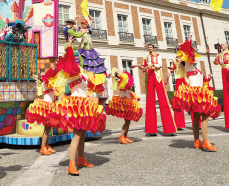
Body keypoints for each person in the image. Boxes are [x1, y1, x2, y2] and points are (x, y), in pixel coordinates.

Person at [51, 36, 107, 176]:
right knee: (77, 134)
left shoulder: (83, 74)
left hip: (85, 104)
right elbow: (69, 60)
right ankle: (72, 163)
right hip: (77, 105)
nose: (79, 59)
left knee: (82, 134)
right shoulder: (72, 73)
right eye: (77, 58)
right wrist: (69, 46)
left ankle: (81, 159)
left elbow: (94, 81)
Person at [171, 33, 221, 151]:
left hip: (199, 93)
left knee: (197, 118)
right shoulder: (188, 66)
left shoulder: (195, 68)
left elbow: (203, 81)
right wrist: (189, 38)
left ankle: (197, 141)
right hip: (195, 94)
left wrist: (208, 78)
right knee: (205, 116)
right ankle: (205, 141)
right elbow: (188, 50)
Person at [139, 44, 177, 136]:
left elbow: (160, 64)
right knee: (150, 101)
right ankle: (151, 130)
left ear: (153, 48)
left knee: (163, 99)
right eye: (148, 48)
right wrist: (141, 67)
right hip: (149, 76)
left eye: (151, 48)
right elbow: (144, 68)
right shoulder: (146, 57)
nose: (149, 49)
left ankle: (170, 129)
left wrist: (152, 64)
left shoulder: (158, 56)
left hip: (157, 75)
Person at [105, 68, 143, 144]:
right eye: (119, 71)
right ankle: (122, 136)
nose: (121, 71)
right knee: (126, 122)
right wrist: (116, 74)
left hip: (128, 102)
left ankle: (125, 136)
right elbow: (123, 77)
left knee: (128, 122)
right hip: (125, 104)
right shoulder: (121, 81)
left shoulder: (124, 80)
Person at [26, 67, 57, 156]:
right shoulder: (45, 83)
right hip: (47, 106)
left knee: (48, 128)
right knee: (47, 129)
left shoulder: (47, 83)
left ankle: (46, 146)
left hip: (50, 105)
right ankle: (43, 147)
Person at [169, 56, 187, 130]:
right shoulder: (174, 60)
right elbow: (172, 69)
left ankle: (198, 123)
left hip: (186, 78)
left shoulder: (186, 58)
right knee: (178, 101)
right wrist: (170, 72)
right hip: (178, 79)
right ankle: (179, 124)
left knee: (193, 99)